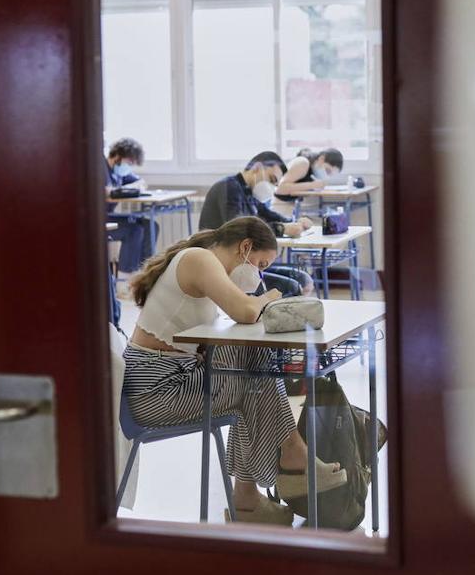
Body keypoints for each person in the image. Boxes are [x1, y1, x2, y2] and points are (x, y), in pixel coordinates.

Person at [122, 216, 347, 526]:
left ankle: (252, 494)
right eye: (261, 264)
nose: (261, 273)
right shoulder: (200, 259)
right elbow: (244, 311)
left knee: (253, 370)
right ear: (245, 248)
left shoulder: (202, 260)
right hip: (157, 390)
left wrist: (255, 303)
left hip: (165, 379)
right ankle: (283, 464)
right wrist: (268, 297)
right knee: (253, 368)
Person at [199, 152, 316, 297]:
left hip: (246, 263)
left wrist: (296, 221)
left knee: (304, 279)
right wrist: (282, 228)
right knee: (293, 287)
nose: (271, 187)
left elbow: (268, 214)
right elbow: (242, 231)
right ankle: (269, 316)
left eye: (275, 184)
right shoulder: (229, 188)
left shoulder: (248, 192)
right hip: (226, 267)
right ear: (257, 167)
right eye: (272, 179)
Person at [105, 138, 158, 274]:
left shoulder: (119, 173)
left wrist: (128, 188)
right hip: (99, 221)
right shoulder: (100, 168)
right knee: (134, 230)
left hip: (111, 217)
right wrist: (118, 191)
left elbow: (141, 183)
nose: (129, 166)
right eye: (129, 162)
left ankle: (145, 273)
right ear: (117, 155)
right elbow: (105, 192)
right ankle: (125, 278)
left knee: (151, 226)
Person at [271, 148, 345, 218]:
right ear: (322, 158)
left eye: (329, 174)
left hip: (290, 206)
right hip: (280, 206)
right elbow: (280, 189)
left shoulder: (311, 171)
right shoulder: (303, 163)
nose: (326, 175)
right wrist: (312, 185)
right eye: (327, 170)